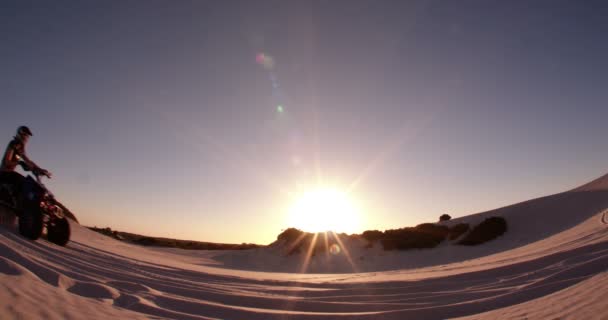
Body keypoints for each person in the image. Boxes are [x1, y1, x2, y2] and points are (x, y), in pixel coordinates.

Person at [0, 126, 51, 208]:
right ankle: (17, 205)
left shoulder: (21, 148)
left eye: (28, 136)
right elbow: (6, 161)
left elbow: (28, 161)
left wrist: (40, 170)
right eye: (25, 135)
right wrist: (18, 162)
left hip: (10, 173)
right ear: (20, 134)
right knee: (25, 182)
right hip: (4, 173)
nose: (27, 138)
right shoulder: (14, 144)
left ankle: (21, 205)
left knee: (30, 184)